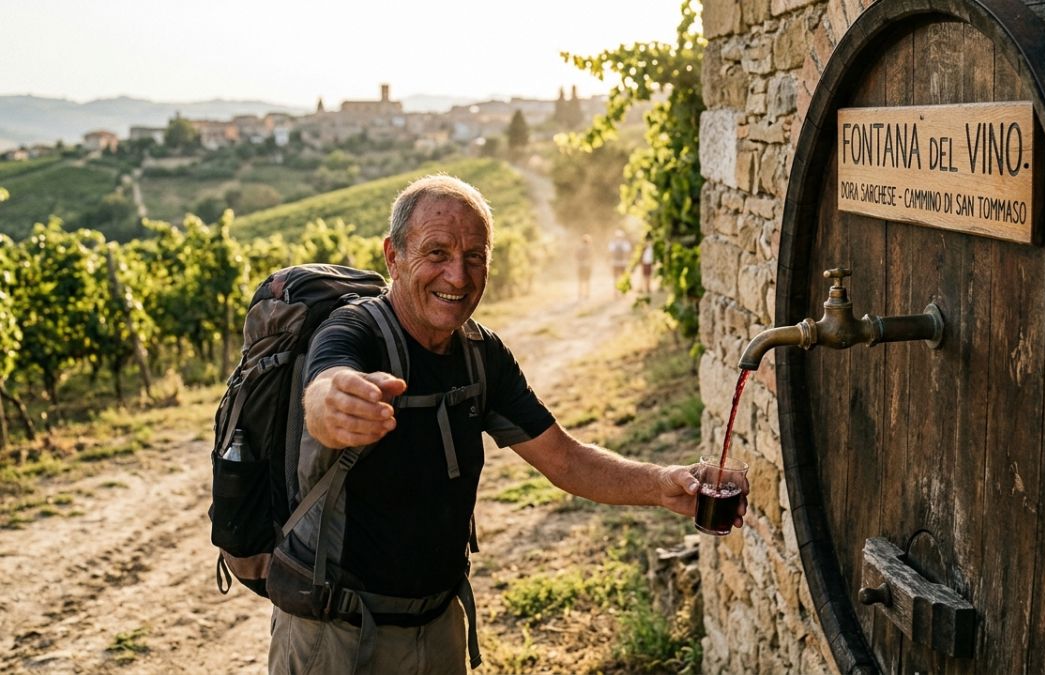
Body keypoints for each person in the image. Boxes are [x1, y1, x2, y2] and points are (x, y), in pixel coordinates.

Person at [267, 175, 747, 674]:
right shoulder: (355, 330)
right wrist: (335, 404)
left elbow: (564, 458)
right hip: (334, 638)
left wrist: (665, 485)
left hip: (438, 627)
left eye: (475, 256)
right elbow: (324, 386)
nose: (458, 276)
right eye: (437, 253)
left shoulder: (481, 354)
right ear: (393, 256)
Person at [607, 228, 631, 297]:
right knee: (621, 277)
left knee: (616, 278)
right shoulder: (625, 243)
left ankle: (616, 292)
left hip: (615, 262)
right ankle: (621, 292)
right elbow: (627, 253)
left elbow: (610, 253)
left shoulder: (612, 243)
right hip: (622, 263)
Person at [575, 233, 593, 301]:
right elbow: (592, 259)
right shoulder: (590, 249)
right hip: (587, 266)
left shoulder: (579, 249)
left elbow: (576, 258)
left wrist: (578, 264)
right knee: (587, 281)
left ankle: (580, 294)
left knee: (581, 281)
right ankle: (586, 294)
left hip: (581, 266)